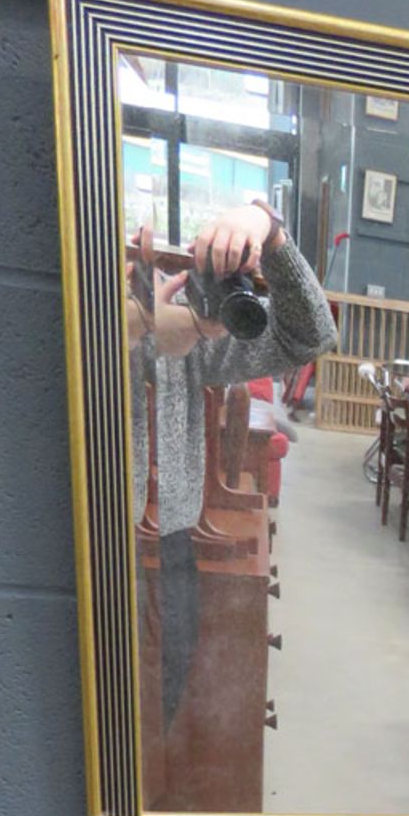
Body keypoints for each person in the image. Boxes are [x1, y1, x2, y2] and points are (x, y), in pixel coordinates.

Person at [128, 201, 337, 731]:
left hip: (172, 543)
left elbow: (310, 336)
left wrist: (268, 230)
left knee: (160, 719)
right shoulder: (97, 319)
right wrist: (128, 326)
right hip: (96, 550)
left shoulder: (191, 333)